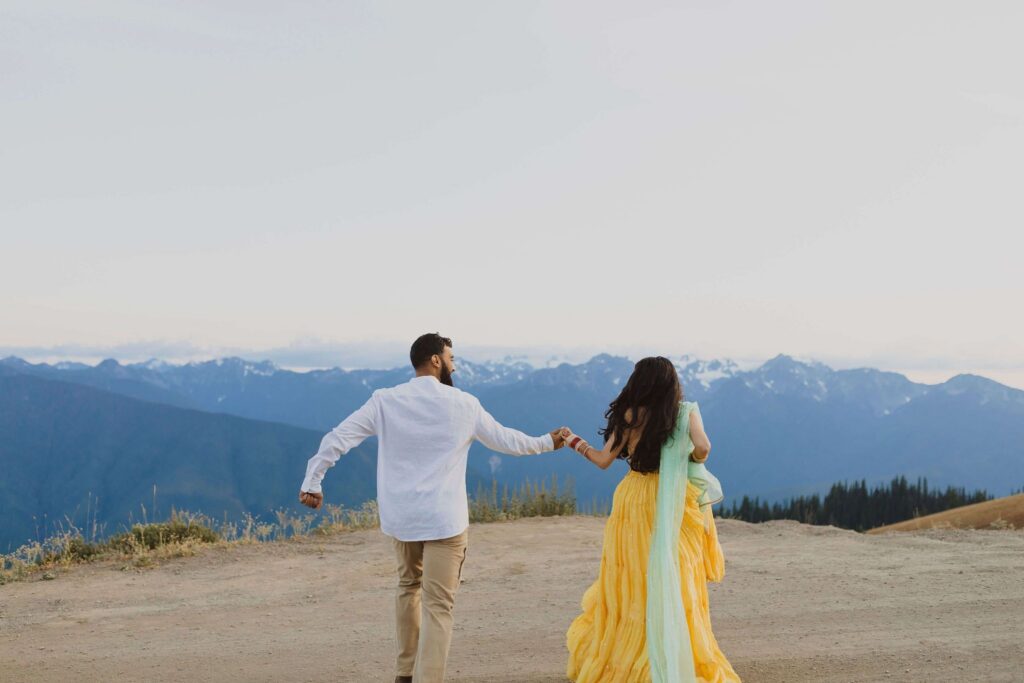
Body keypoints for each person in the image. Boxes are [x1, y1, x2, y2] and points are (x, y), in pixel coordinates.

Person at [298, 332, 565, 683]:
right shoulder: (464, 404)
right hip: (444, 521)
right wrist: (548, 442)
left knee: (408, 587)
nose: (453, 364)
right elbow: (507, 441)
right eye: (451, 357)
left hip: (402, 519)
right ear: (436, 360)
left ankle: (404, 673)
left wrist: (313, 481)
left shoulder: (384, 401)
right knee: (438, 606)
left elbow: (338, 438)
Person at [560, 356, 740, 683]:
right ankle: (674, 647)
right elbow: (704, 447)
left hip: (633, 498)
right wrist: (690, 458)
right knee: (675, 573)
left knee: (631, 577)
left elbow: (603, 460)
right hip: (669, 499)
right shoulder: (684, 413)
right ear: (671, 384)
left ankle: (629, 655)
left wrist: (575, 442)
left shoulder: (628, 416)